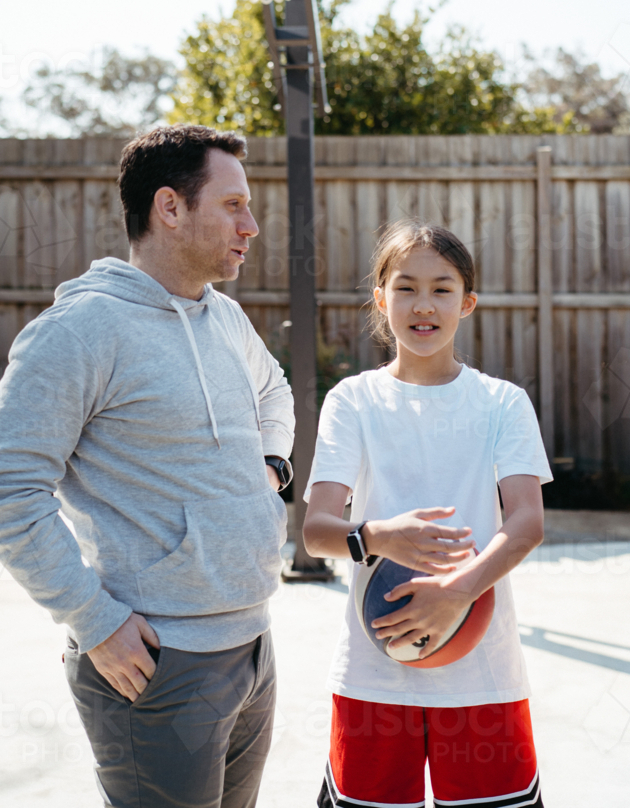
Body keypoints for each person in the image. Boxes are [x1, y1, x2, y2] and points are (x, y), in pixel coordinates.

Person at [0, 124, 295, 808]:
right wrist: (92, 618)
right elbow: (11, 489)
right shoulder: (78, 332)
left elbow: (272, 386)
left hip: (252, 641)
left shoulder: (221, 317)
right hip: (157, 663)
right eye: (232, 205)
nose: (250, 226)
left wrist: (271, 467)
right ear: (169, 207)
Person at [303, 219, 551, 808]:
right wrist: (380, 535)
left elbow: (527, 523)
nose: (423, 304)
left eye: (441, 288)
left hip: (481, 674)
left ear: (466, 302)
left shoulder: (501, 403)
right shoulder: (352, 401)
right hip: (373, 670)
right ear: (380, 298)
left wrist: (456, 593)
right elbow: (316, 532)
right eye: (406, 286)